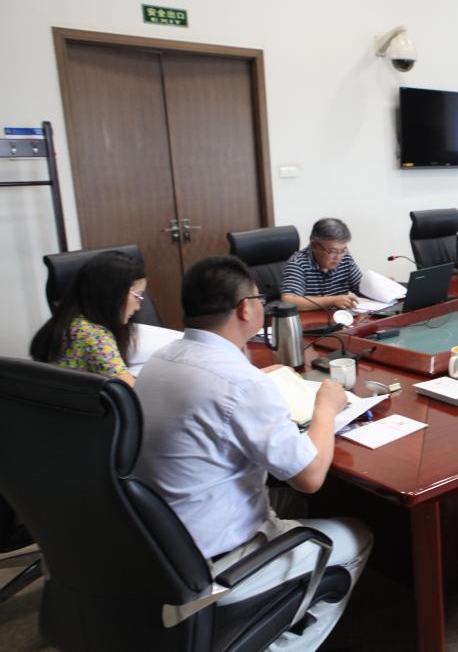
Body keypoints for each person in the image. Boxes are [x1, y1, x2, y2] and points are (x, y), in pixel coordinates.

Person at [133, 256, 372, 651]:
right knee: (357, 534)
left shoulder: (160, 360)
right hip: (217, 560)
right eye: (260, 299)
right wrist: (326, 408)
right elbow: (311, 476)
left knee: (293, 502)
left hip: (159, 545)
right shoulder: (239, 382)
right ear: (246, 308)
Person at [29, 250, 146, 386]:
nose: (138, 307)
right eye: (137, 296)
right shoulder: (93, 336)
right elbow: (130, 390)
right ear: (113, 294)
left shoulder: (71, 321)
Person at [282, 218, 361, 311]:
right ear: (314, 245)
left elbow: (362, 288)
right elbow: (289, 301)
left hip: (339, 317)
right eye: (333, 251)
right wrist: (332, 301)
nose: (338, 257)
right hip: (312, 319)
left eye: (343, 250)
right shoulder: (298, 263)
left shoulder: (345, 258)